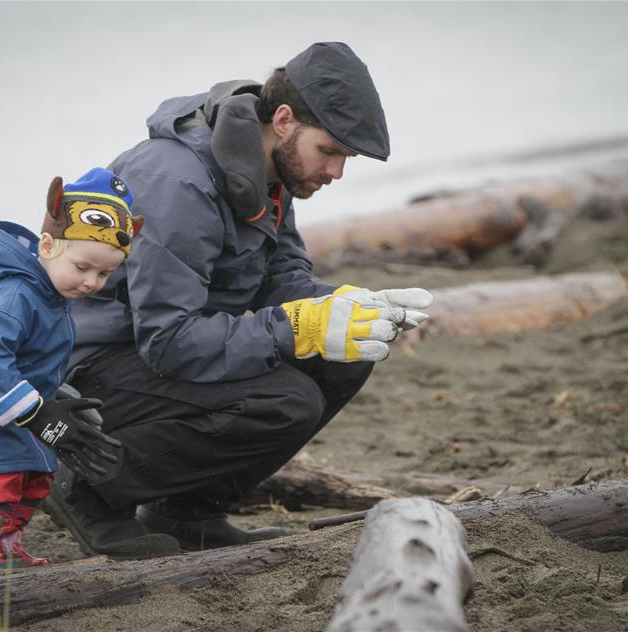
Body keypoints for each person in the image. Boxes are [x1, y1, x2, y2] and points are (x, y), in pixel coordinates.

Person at [46, 42, 432, 556]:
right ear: (286, 119)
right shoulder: (179, 184)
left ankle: (186, 511)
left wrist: (348, 304)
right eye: (331, 151)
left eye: (347, 158)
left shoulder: (268, 170)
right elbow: (170, 341)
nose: (337, 172)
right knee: (285, 402)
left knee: (347, 353)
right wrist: (298, 327)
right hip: (83, 371)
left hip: (151, 351)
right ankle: (87, 486)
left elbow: (282, 274)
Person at [0, 167, 177, 575]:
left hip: (10, 404)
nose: (92, 282)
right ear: (49, 244)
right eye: (84, 266)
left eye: (104, 273)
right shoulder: (15, 294)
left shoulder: (51, 293)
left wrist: (54, 398)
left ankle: (5, 544)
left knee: (36, 476)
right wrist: (35, 411)